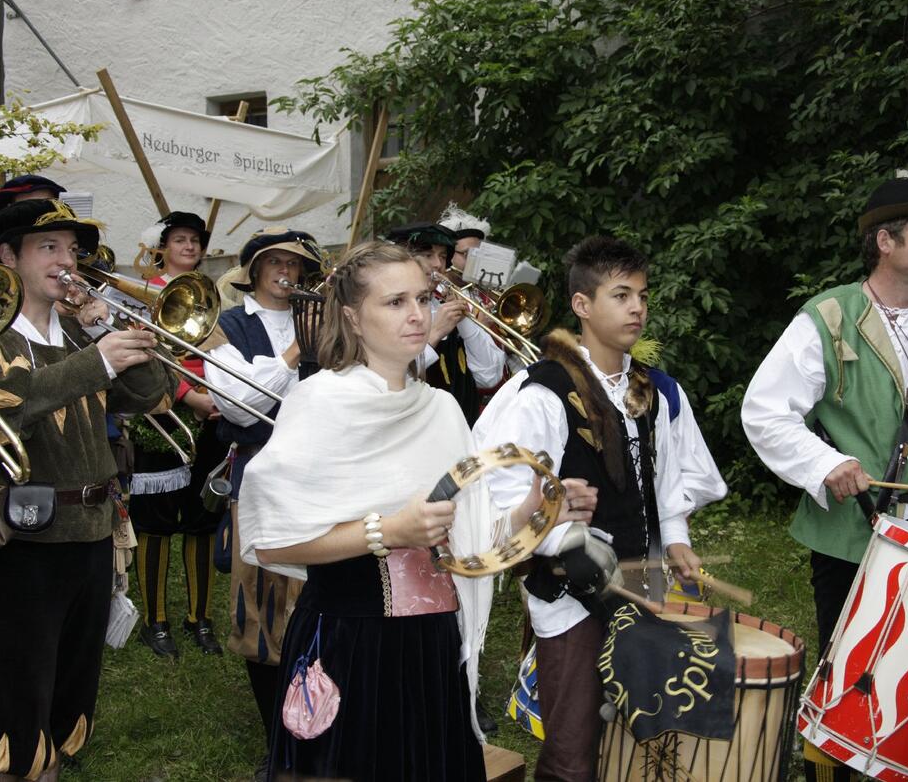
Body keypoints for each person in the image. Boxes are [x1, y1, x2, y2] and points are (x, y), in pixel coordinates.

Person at [237, 240, 569, 781]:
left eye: (422, 298)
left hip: (431, 644)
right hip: (352, 641)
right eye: (394, 303)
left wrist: (539, 507)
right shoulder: (319, 402)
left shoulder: (440, 407)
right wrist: (385, 531)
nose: (417, 315)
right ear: (352, 316)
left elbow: (472, 542)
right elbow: (271, 541)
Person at [741, 170, 908, 782]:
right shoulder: (830, 316)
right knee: (853, 688)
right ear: (886, 241)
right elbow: (764, 411)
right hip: (854, 536)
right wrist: (828, 464)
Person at [0, 198, 174, 781]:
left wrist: (104, 328)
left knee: (71, 687)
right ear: (8, 255)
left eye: (71, 249)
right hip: (19, 540)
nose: (65, 260)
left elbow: (148, 394)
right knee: (15, 701)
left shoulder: (79, 333)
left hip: (91, 532)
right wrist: (96, 362)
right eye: (48, 247)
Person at [473, 235, 699, 782]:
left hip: (644, 582)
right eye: (621, 295)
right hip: (572, 595)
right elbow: (504, 498)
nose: (637, 308)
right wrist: (562, 537)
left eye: (642, 295)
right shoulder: (542, 391)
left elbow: (666, 481)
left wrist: (676, 537)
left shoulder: (652, 391)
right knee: (572, 750)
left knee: (636, 739)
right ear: (582, 304)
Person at [204, 226, 322, 758]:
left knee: (318, 601)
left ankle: (317, 721)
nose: (286, 272)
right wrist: (298, 350)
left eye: (295, 265)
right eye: (275, 262)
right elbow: (237, 404)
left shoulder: (324, 318)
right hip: (261, 478)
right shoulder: (226, 325)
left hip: (320, 477)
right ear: (253, 269)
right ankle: (279, 738)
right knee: (263, 611)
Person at [126, 211, 227, 658]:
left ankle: (200, 617)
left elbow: (225, 352)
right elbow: (147, 358)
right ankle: (155, 620)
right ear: (163, 247)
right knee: (157, 522)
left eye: (195, 241)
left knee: (202, 520)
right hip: (163, 414)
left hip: (210, 411)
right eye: (180, 240)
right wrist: (189, 395)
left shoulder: (211, 293)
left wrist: (216, 395)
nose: (189, 247)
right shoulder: (143, 291)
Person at [387, 222, 507, 425]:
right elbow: (390, 379)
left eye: (443, 256)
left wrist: (466, 322)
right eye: (428, 255)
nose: (437, 265)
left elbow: (489, 376)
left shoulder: (443, 304)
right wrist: (435, 333)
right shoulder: (390, 312)